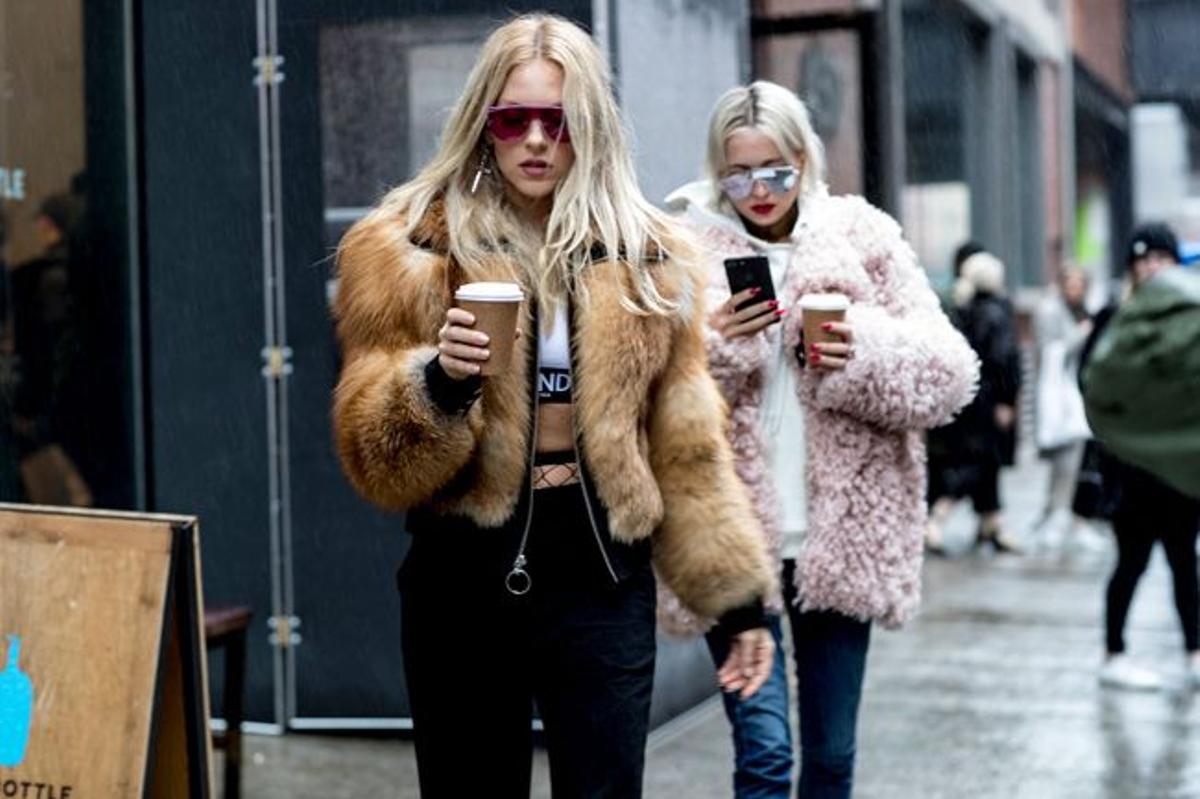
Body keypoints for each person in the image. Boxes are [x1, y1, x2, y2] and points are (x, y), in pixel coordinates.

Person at [330, 15, 776, 797]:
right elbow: (372, 458)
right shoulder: (407, 248)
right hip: (461, 574)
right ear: (483, 125)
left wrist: (737, 603)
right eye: (514, 119)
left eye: (559, 121)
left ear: (590, 129)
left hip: (602, 570)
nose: (536, 140)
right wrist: (439, 384)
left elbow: (686, 444)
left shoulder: (653, 258)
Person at [662, 80, 978, 799]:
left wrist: (854, 351)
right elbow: (645, 388)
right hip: (734, 540)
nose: (759, 190)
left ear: (804, 159)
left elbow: (952, 372)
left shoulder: (860, 236)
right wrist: (711, 342)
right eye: (738, 173)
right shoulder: (683, 249)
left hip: (841, 537)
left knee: (832, 756)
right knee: (766, 753)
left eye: (775, 169)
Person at [1085, 223, 1200, 690]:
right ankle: (1113, 652)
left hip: (1179, 472)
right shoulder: (1115, 316)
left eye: (1160, 258)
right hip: (1130, 471)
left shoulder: (1193, 319)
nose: (1152, 267)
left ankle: (1195, 651)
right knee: (1130, 563)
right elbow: (1091, 385)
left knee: (1183, 564)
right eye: (1143, 259)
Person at [925, 251, 1022, 554]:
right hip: (988, 400)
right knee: (979, 462)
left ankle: (993, 524)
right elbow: (1005, 358)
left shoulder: (958, 308)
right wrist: (1008, 399)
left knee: (983, 463)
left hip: (966, 396)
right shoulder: (996, 312)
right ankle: (937, 518)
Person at [1031, 265, 1099, 550]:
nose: (1075, 288)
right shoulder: (1050, 310)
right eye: (1070, 283)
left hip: (1074, 394)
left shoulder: (1080, 310)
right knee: (1066, 459)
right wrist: (1082, 333)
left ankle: (1057, 516)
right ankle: (1055, 516)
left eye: (1079, 283)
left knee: (1071, 459)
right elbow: (1052, 351)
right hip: (1058, 395)